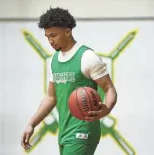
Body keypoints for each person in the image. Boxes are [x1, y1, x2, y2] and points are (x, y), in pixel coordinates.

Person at [21, 7, 117, 155]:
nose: (50, 41)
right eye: (47, 37)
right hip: (65, 131)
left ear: (67, 31)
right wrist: (31, 124)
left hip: (83, 131)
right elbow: (51, 97)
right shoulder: (55, 59)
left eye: (53, 35)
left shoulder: (87, 57)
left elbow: (109, 88)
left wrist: (107, 108)